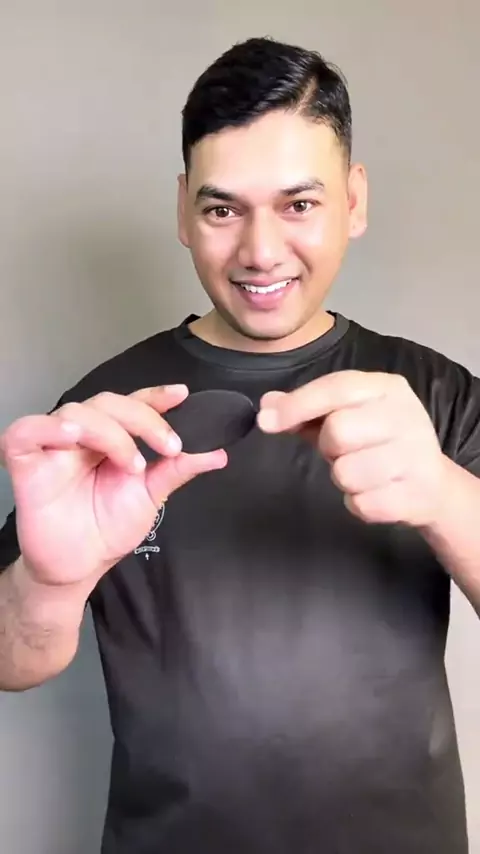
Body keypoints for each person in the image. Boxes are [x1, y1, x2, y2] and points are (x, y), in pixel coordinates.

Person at [0, 35, 479, 854]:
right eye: (223, 210)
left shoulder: (436, 393)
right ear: (184, 211)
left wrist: (440, 492)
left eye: (299, 205)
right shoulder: (107, 414)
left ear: (354, 201)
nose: (260, 251)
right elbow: (13, 660)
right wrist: (48, 583)